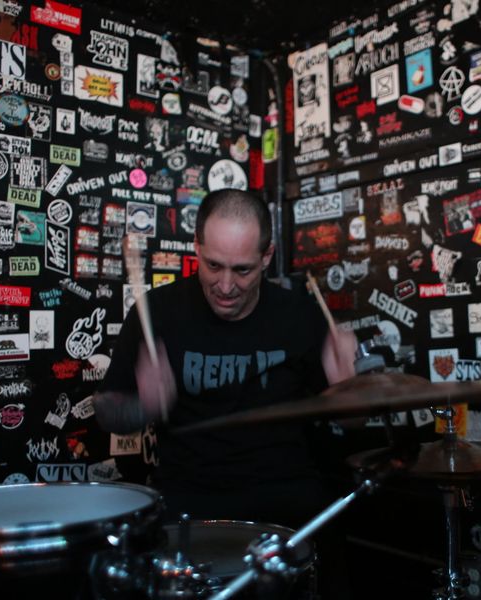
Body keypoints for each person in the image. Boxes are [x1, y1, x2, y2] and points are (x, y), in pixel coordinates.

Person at [93, 189, 357, 595]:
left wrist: (346, 388)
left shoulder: (299, 314)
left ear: (266, 257)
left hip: (285, 496)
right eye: (213, 265)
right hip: (188, 498)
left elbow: (353, 420)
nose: (226, 285)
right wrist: (143, 405)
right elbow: (107, 413)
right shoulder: (157, 311)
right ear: (197, 248)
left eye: (243, 270)